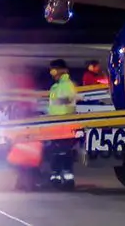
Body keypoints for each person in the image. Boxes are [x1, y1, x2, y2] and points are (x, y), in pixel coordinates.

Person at [46, 59, 78, 187]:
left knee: (64, 152)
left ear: (61, 70)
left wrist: (59, 101)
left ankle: (68, 178)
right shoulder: (56, 86)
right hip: (56, 124)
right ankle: (56, 176)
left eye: (54, 69)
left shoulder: (67, 84)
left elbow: (68, 98)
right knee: (56, 152)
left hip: (65, 124)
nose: (52, 73)